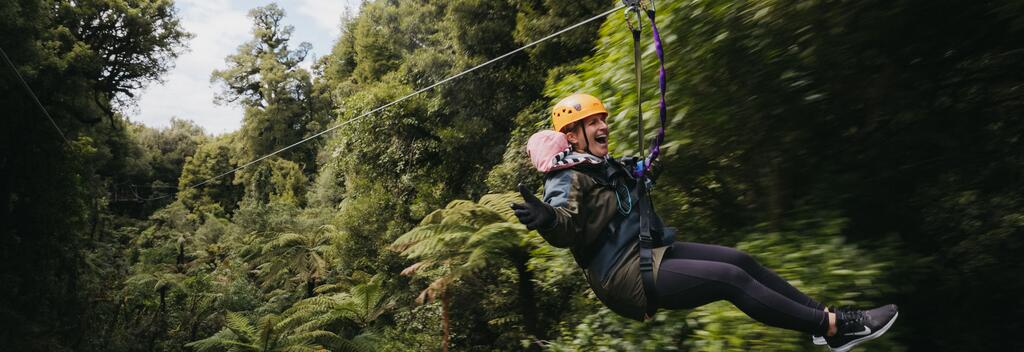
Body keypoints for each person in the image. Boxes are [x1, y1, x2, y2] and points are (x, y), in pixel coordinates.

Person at [511, 93, 898, 352]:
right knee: (732, 281)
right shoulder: (564, 176)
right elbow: (564, 224)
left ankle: (824, 323)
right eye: (591, 122)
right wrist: (545, 217)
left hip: (646, 251)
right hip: (623, 273)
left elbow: (624, 181)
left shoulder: (602, 166)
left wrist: (644, 171)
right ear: (572, 136)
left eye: (602, 119)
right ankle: (834, 326)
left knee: (741, 261)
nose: (602, 126)